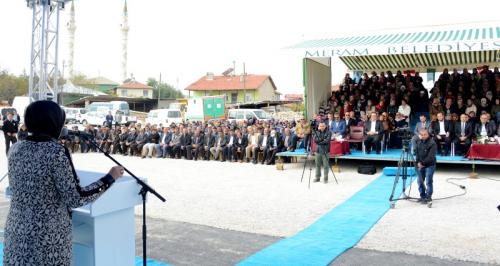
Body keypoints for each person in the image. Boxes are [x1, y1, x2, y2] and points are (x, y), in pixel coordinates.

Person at [3, 100, 124, 266]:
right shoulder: (56, 152)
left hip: (16, 232)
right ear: (55, 122)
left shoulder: (16, 148)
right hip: (47, 240)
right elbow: (76, 198)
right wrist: (110, 178)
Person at [415, 128, 437, 204]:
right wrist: (417, 162)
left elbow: (430, 157)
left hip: (430, 165)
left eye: (425, 134)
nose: (423, 136)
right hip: (420, 164)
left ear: (428, 134)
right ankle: (422, 196)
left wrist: (422, 164)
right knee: (420, 181)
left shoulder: (432, 143)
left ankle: (428, 197)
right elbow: (417, 154)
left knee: (428, 181)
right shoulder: (418, 142)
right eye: (422, 135)